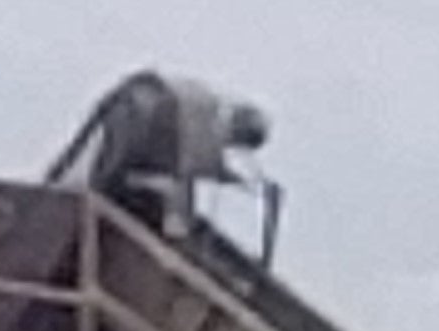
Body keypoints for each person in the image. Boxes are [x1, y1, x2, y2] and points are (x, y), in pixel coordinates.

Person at [48, 70, 272, 240]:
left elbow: (198, 160)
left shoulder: (210, 106)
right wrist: (236, 181)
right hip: (143, 117)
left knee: (95, 163)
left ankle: (59, 195)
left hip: (135, 99)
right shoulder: (212, 122)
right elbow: (199, 163)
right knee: (104, 181)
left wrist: (234, 179)